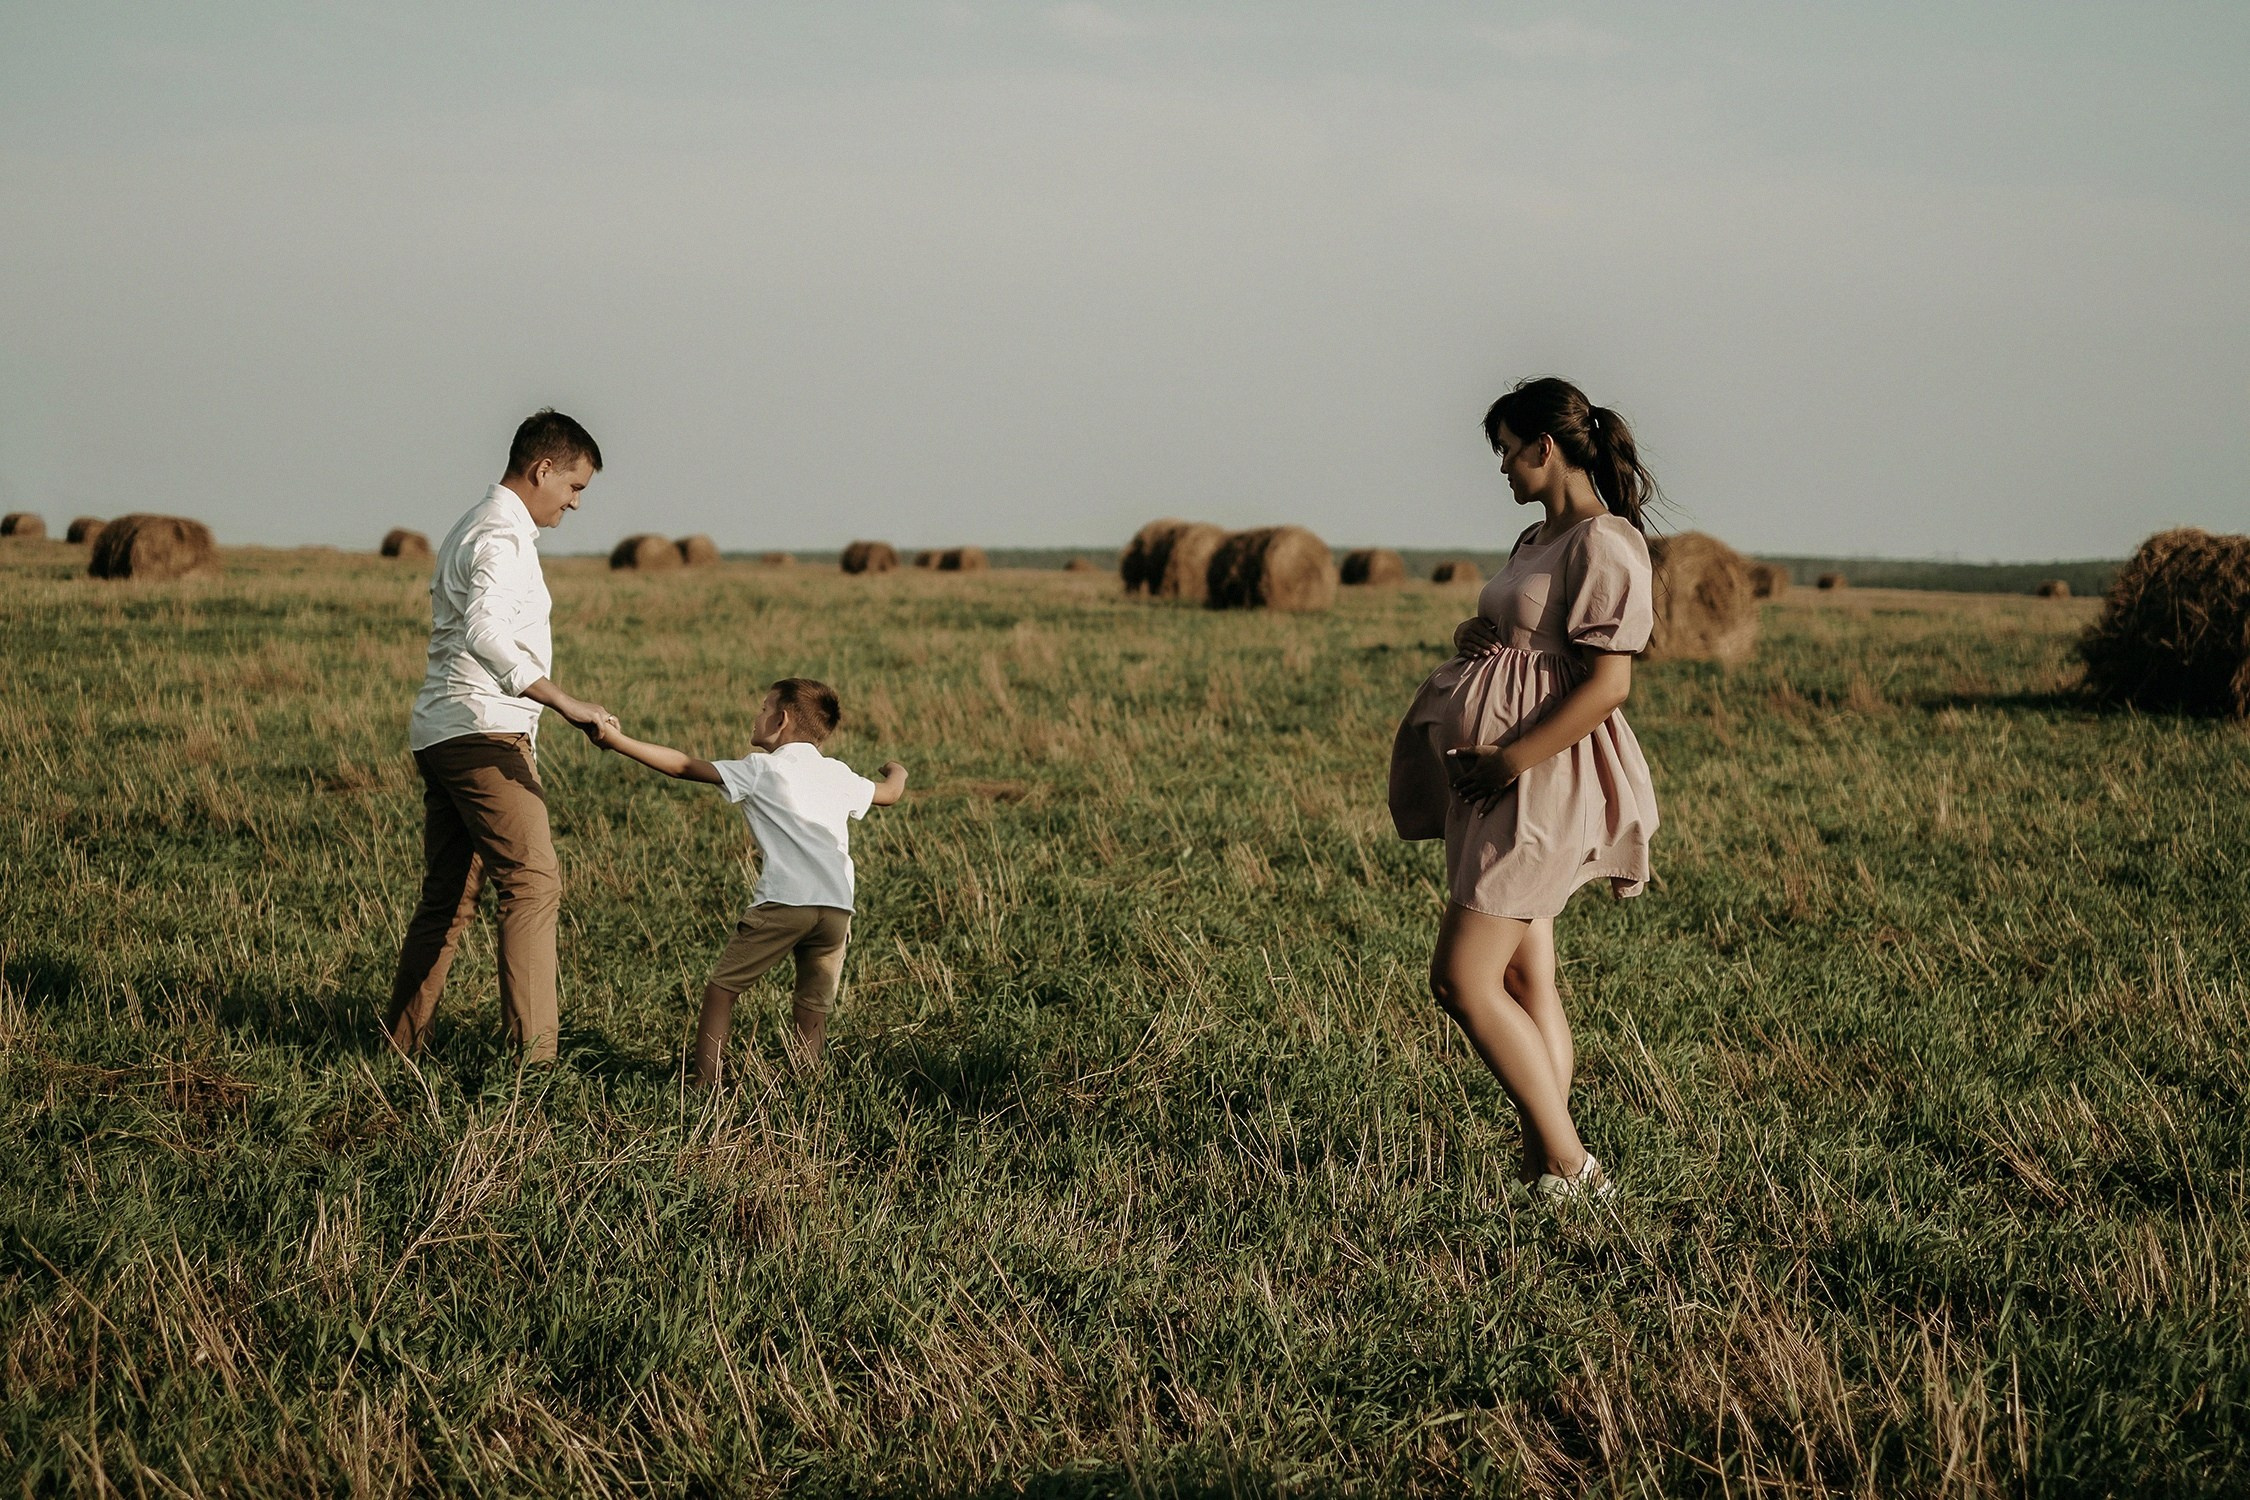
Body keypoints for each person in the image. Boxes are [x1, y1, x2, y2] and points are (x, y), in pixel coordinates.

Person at [1388, 376, 1662, 1200]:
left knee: (1461, 980)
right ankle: (1545, 1161)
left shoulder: (1604, 543)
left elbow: (1608, 684)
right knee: (1524, 980)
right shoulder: (1533, 540)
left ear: (1546, 446)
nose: (1503, 466)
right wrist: (1481, 637)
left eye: (1508, 449)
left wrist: (1509, 760)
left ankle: (1574, 1166)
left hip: (1536, 782)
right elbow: (1532, 644)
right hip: (1497, 780)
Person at [386, 410, 616, 1066]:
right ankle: (535, 1064)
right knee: (533, 879)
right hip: (481, 731)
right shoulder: (499, 537)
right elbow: (487, 632)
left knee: (450, 897)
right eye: (575, 487)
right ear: (543, 469)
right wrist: (561, 699)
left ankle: (400, 1047)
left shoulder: (480, 525)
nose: (575, 502)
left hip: (450, 730)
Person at [591, 678, 908, 1081]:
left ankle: (706, 1084)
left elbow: (681, 766)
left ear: (781, 720)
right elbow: (891, 793)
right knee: (812, 1006)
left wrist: (619, 741)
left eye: (763, 709)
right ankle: (806, 1085)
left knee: (721, 990)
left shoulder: (762, 769)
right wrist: (897, 769)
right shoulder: (838, 774)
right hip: (836, 909)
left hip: (785, 903)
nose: (757, 716)